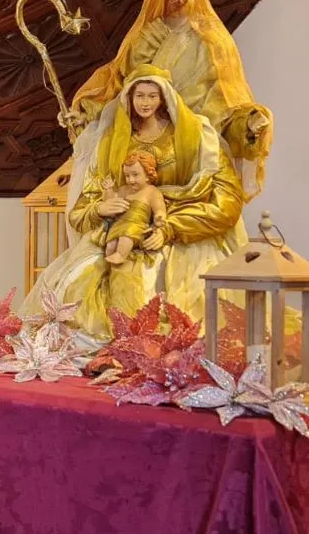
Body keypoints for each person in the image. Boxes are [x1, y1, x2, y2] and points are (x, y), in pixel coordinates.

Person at [22, 65, 245, 341]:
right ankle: (106, 348)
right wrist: (99, 208)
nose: (146, 103)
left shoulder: (197, 137)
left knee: (153, 284)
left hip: (181, 234)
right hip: (117, 229)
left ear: (164, 97)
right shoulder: (112, 143)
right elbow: (82, 208)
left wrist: (169, 227)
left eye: (153, 96)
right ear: (129, 97)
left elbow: (227, 203)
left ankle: (153, 352)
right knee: (78, 279)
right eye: (140, 95)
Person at [61, 0, 272, 204]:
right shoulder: (148, 34)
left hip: (191, 138)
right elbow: (118, 83)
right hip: (140, 135)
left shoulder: (214, 41)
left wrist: (248, 126)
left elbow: (226, 104)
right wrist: (86, 112)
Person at [98, 150, 166, 265]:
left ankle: (120, 255)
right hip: (119, 223)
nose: (131, 180)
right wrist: (108, 190)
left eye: (135, 175)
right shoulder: (124, 190)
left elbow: (159, 209)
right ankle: (110, 258)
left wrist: (159, 217)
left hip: (136, 225)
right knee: (111, 244)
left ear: (148, 175)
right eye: (127, 176)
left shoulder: (152, 191)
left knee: (126, 237)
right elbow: (111, 202)